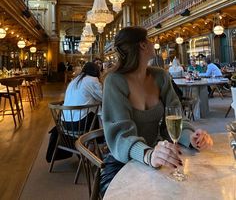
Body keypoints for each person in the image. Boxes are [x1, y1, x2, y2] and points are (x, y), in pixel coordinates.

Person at [101, 26, 213, 195]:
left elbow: (176, 118)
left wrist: (191, 137)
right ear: (142, 45)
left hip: (159, 155)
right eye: (150, 39)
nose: (153, 43)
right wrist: (147, 154)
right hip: (122, 161)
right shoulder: (114, 81)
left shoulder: (161, 76)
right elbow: (120, 136)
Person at [63, 62, 102, 130]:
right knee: (100, 109)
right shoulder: (92, 80)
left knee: (96, 107)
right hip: (79, 123)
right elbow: (104, 97)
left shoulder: (75, 80)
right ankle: (100, 138)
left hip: (64, 123)